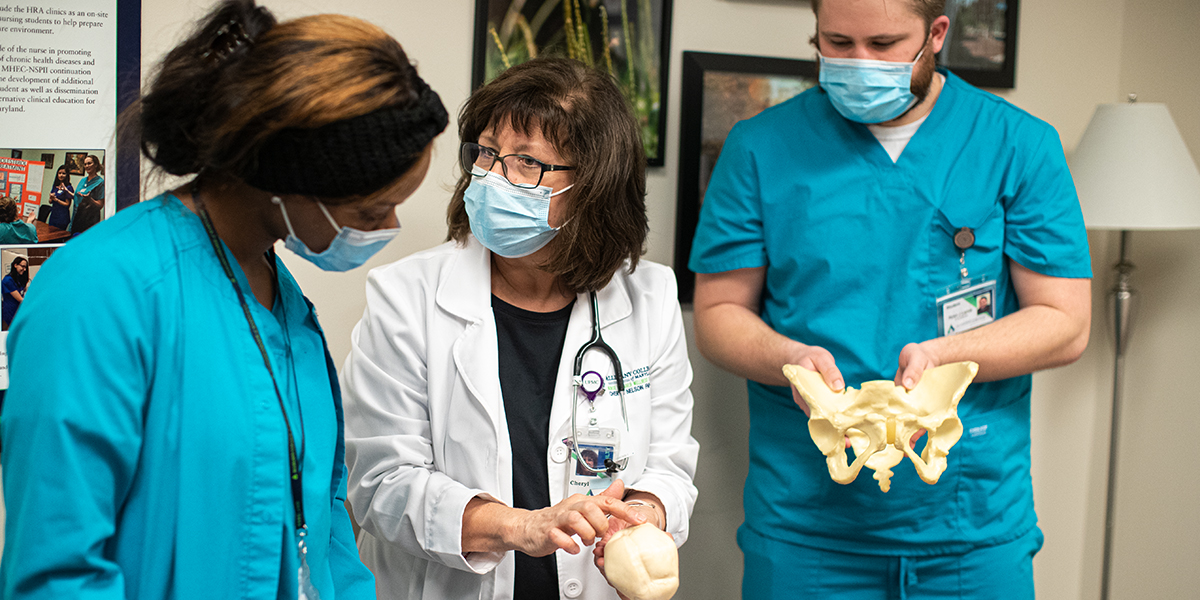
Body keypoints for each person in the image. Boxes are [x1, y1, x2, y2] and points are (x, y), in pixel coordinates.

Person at [0, 0, 448, 597]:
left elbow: (325, 517)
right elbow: (57, 571)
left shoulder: (286, 306)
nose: (386, 225)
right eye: (369, 210)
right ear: (291, 178)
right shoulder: (102, 292)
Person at [688, 0, 1092, 598]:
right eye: (837, 43)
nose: (858, 63)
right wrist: (791, 361)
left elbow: (1065, 322)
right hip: (807, 524)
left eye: (882, 44)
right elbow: (719, 314)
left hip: (969, 522)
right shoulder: (759, 148)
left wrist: (946, 358)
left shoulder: (1017, 145)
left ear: (936, 34)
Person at [341, 57, 699, 600]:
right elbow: (379, 484)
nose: (491, 177)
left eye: (527, 163)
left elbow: (671, 464)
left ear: (593, 187)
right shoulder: (406, 295)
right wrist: (519, 527)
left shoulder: (649, 297)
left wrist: (641, 512)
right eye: (487, 152)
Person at [68, 154, 105, 235]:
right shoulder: (82, 180)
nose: (87, 166)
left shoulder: (100, 182)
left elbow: (100, 205)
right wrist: (67, 192)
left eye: (89, 163)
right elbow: (78, 196)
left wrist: (90, 199)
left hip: (89, 219)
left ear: (95, 165)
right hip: (77, 216)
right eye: (85, 164)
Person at [1, 256, 28, 330]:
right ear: (15, 265)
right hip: (11, 312)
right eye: (22, 266)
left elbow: (23, 292)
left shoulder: (18, 279)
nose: (24, 269)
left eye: (25, 267)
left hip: (18, 310)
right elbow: (20, 299)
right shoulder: (8, 280)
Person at [46, 164, 75, 230]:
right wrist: (51, 197)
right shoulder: (55, 186)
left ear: (67, 175)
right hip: (53, 214)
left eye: (63, 173)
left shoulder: (68, 188)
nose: (61, 175)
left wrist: (56, 200)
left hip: (62, 216)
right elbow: (50, 202)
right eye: (59, 173)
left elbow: (67, 204)